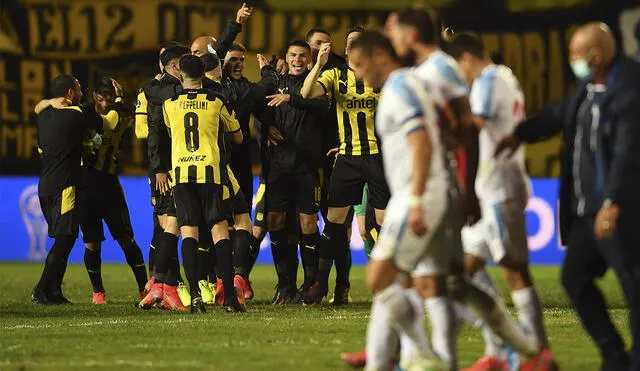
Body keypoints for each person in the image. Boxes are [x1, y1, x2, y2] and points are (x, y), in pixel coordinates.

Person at [495, 22, 640, 371]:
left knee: (634, 288)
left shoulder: (631, 88)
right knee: (574, 278)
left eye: (576, 53)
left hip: (619, 211)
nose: (571, 60)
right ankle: (614, 356)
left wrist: (614, 202)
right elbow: (558, 115)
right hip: (587, 212)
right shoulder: (587, 87)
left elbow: (628, 153)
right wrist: (521, 133)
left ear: (597, 54)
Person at [447, 32, 553, 370]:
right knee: (459, 274)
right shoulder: (504, 76)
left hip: (499, 187)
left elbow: (473, 127)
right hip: (491, 186)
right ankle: (498, 350)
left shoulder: (490, 80)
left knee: (514, 270)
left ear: (466, 58)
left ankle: (538, 352)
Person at [347, 29, 450, 371]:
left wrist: (417, 198)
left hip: (418, 196)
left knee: (380, 277)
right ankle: (384, 361)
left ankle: (423, 352)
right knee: (417, 283)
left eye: (360, 66)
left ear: (379, 56)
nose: (359, 75)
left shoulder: (400, 88)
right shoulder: (408, 83)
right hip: (421, 194)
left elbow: (421, 143)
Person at [301, 26, 390, 305]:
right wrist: (318, 64)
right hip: (348, 158)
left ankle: (390, 281)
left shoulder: (379, 76)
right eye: (350, 41)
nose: (353, 45)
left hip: (377, 156)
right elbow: (306, 93)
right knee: (334, 221)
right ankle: (321, 284)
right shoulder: (334, 74)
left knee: (385, 223)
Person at [161, 54, 245, 313]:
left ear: (180, 73)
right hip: (211, 172)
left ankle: (195, 296)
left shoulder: (169, 104)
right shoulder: (217, 101)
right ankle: (230, 298)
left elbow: (170, 133)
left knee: (188, 232)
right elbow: (238, 137)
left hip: (183, 174)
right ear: (204, 75)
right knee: (220, 230)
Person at [265, 40, 331, 303]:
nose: (297, 59)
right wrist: (267, 126)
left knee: (307, 223)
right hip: (278, 167)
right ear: (286, 57)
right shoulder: (276, 82)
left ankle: (311, 283)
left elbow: (317, 105)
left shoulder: (317, 85)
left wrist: (292, 98)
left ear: (309, 58)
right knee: (275, 222)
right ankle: (285, 283)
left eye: (303, 55)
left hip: (306, 166)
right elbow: (260, 107)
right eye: (293, 55)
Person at [31, 75, 102, 305]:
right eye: (79, 88)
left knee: (68, 237)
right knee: (64, 238)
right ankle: (41, 289)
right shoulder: (76, 114)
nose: (82, 92)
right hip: (65, 186)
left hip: (45, 186)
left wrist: (48, 102)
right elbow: (99, 124)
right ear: (70, 93)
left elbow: (38, 106)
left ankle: (54, 292)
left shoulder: (44, 114)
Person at [139, 44, 192, 311]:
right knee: (168, 226)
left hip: (180, 166)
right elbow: (155, 133)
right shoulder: (161, 92)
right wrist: (159, 168)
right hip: (166, 170)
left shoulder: (161, 87)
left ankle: (161, 285)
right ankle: (165, 285)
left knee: (170, 227)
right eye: (187, 61)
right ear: (174, 66)